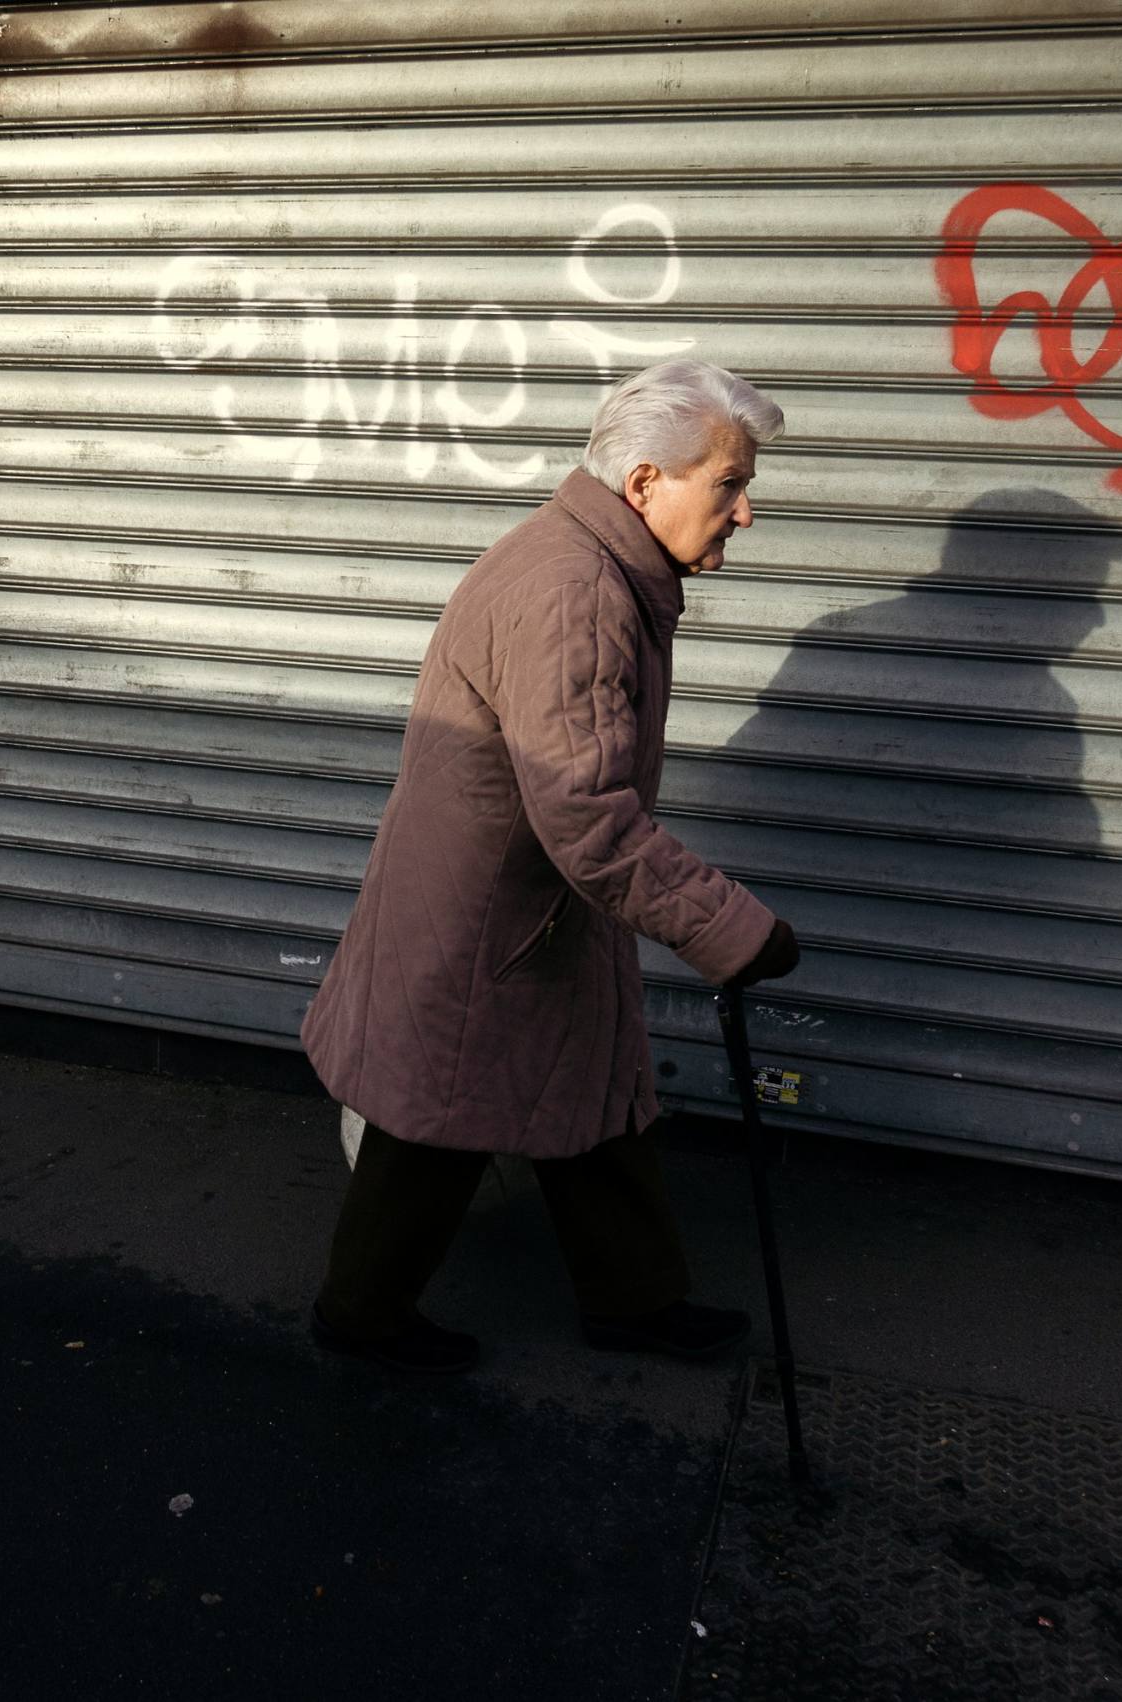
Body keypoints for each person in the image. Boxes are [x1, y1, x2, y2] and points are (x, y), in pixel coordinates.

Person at [300, 359, 803, 1375]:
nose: (744, 513)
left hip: (526, 902)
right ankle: (360, 1317)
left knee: (589, 1090)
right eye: (729, 485)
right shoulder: (577, 592)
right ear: (646, 485)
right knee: (438, 1111)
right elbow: (588, 813)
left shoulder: (584, 557)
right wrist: (734, 932)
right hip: (495, 914)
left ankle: (633, 1297)